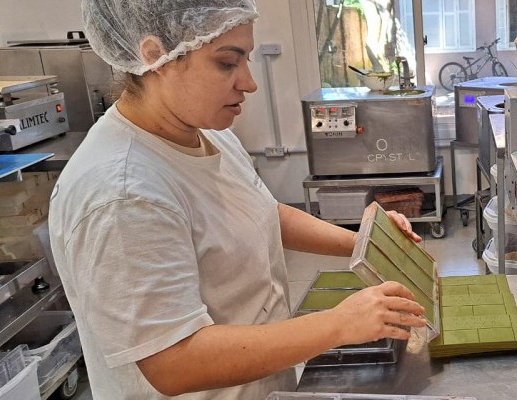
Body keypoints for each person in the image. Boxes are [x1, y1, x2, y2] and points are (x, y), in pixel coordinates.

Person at [48, 1, 426, 398]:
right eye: (227, 63)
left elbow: (260, 212)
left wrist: (363, 242)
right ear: (156, 56)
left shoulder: (208, 133)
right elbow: (172, 362)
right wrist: (338, 324)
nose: (249, 83)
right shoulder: (122, 194)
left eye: (246, 59)